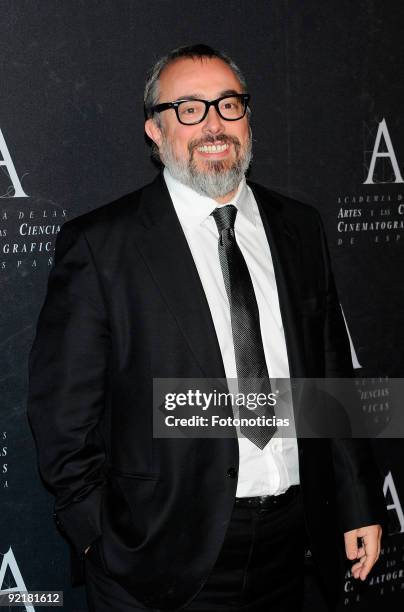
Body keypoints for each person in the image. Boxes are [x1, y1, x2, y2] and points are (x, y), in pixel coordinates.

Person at [28, 44, 385, 611]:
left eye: (229, 104)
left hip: (293, 546)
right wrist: (99, 538)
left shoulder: (299, 227)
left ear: (248, 117)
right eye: (189, 108)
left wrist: (358, 501)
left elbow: (328, 380)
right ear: (155, 129)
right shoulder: (102, 245)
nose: (214, 124)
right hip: (157, 557)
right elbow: (62, 417)